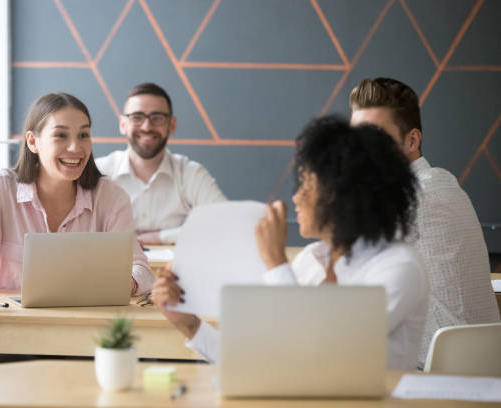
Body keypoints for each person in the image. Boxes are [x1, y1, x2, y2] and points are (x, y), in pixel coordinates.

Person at [152, 116, 429, 370]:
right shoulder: (311, 260)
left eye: (308, 184)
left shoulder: (398, 268)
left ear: (344, 194)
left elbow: (318, 355)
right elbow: (264, 360)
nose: (296, 197)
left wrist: (276, 262)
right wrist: (188, 323)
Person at [0, 93, 155, 364]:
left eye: (84, 135)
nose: (75, 147)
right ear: (33, 142)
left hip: (84, 337)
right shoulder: (2, 187)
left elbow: (142, 271)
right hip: (9, 339)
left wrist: (117, 284)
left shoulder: (110, 196)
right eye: (61, 136)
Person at [349, 77, 500, 368]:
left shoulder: (410, 199)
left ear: (412, 140)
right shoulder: (443, 183)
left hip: (433, 373)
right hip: (484, 366)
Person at [95, 83, 227, 245]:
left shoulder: (191, 174)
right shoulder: (99, 172)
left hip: (174, 270)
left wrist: (161, 237)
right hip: (112, 270)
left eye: (157, 118)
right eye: (137, 117)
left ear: (172, 125)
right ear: (123, 124)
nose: (147, 126)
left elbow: (224, 224)